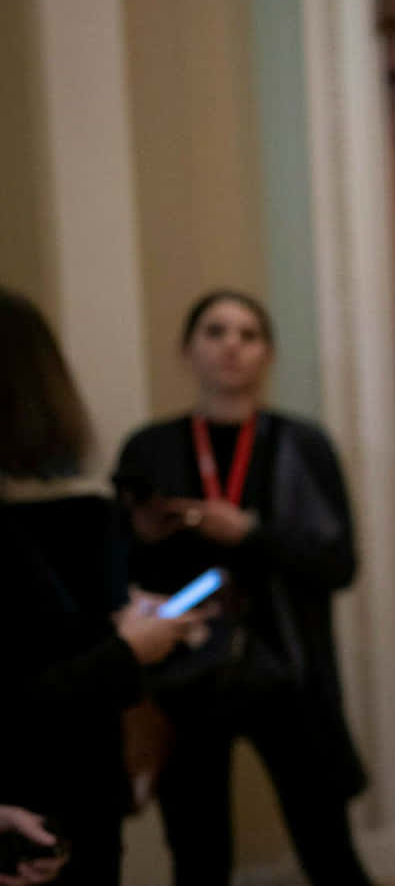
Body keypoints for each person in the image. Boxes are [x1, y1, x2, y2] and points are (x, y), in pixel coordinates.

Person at [113, 291, 374, 886]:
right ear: (188, 350)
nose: (231, 344)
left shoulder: (303, 445)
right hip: (185, 674)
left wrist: (251, 531)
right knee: (199, 858)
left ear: (267, 354)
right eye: (214, 331)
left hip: (288, 670)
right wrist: (147, 535)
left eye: (248, 334)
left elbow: (339, 565)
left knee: (329, 850)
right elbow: (121, 573)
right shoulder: (148, 448)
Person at [0, 288, 205, 886]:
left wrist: (119, 624)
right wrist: (129, 649)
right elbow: (22, 694)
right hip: (32, 802)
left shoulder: (74, 514)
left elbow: (50, 640)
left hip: (77, 790)